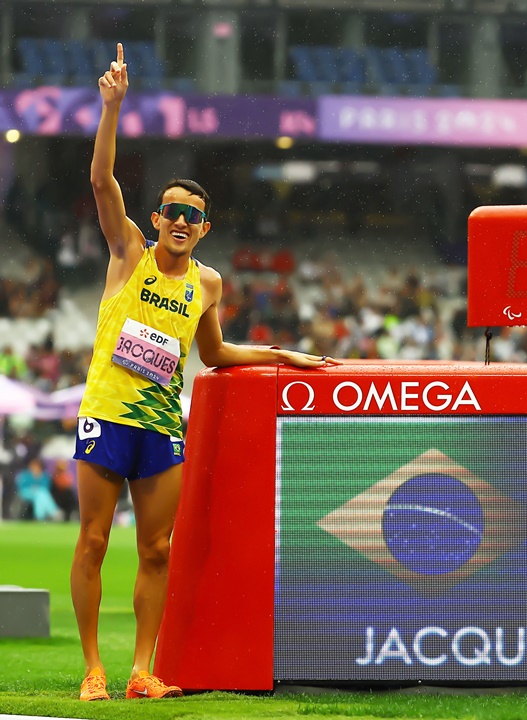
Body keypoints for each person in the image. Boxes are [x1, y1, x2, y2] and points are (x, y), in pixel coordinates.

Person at [72, 44, 339, 703]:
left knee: (158, 550)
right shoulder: (128, 252)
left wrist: (283, 356)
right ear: (157, 219)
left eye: (193, 216)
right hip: (107, 413)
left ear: (204, 228)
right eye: (172, 212)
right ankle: (92, 670)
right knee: (95, 539)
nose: (181, 222)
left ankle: (141, 670)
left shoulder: (209, 285)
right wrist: (111, 110)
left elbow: (215, 357)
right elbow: (103, 182)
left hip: (161, 425)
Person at [15, 457, 62, 521]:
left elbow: (46, 487)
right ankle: (53, 512)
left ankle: (40, 516)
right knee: (41, 493)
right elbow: (21, 487)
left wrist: (38, 478)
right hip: (26, 493)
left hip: (40, 494)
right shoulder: (25, 474)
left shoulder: (44, 476)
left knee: (40, 494)